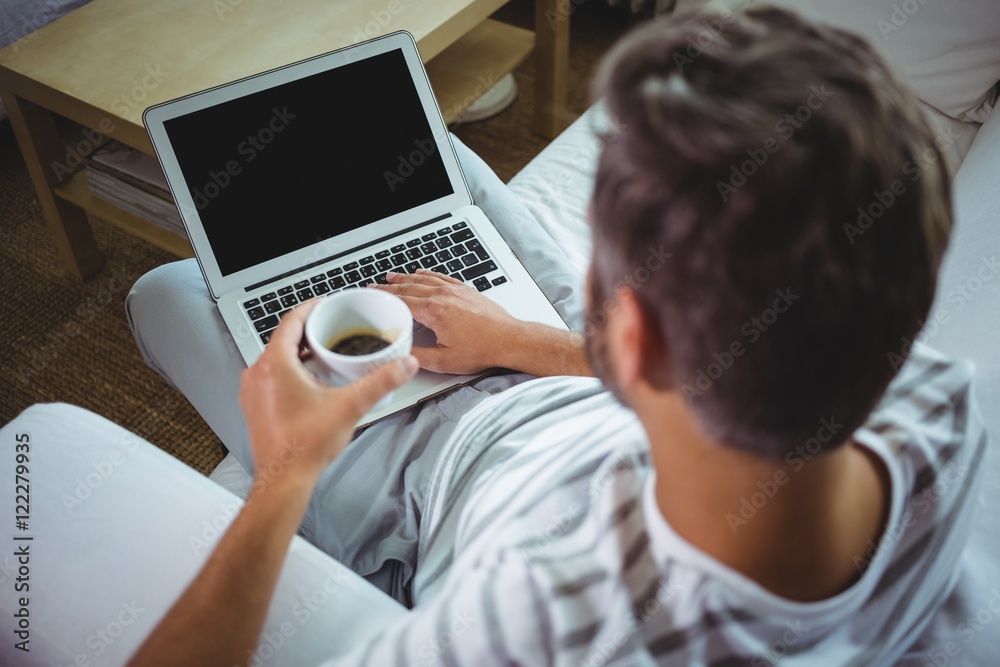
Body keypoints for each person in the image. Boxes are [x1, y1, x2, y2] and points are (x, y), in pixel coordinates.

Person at [125, 6, 987, 665]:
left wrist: (285, 471)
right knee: (445, 167)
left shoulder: (530, 617)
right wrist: (513, 339)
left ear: (640, 336)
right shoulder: (934, 407)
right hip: (560, 378)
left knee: (162, 291)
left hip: (422, 479)